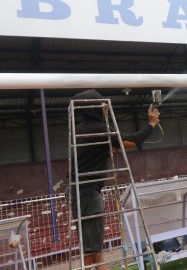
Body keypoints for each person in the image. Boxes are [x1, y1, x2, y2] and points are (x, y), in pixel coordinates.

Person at [70, 89, 160, 269]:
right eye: (101, 105)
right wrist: (151, 124)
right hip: (87, 193)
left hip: (80, 192)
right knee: (91, 251)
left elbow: (97, 152)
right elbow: (133, 141)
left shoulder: (81, 129)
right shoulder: (99, 129)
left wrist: (110, 149)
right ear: (93, 108)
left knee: (95, 250)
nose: (105, 108)